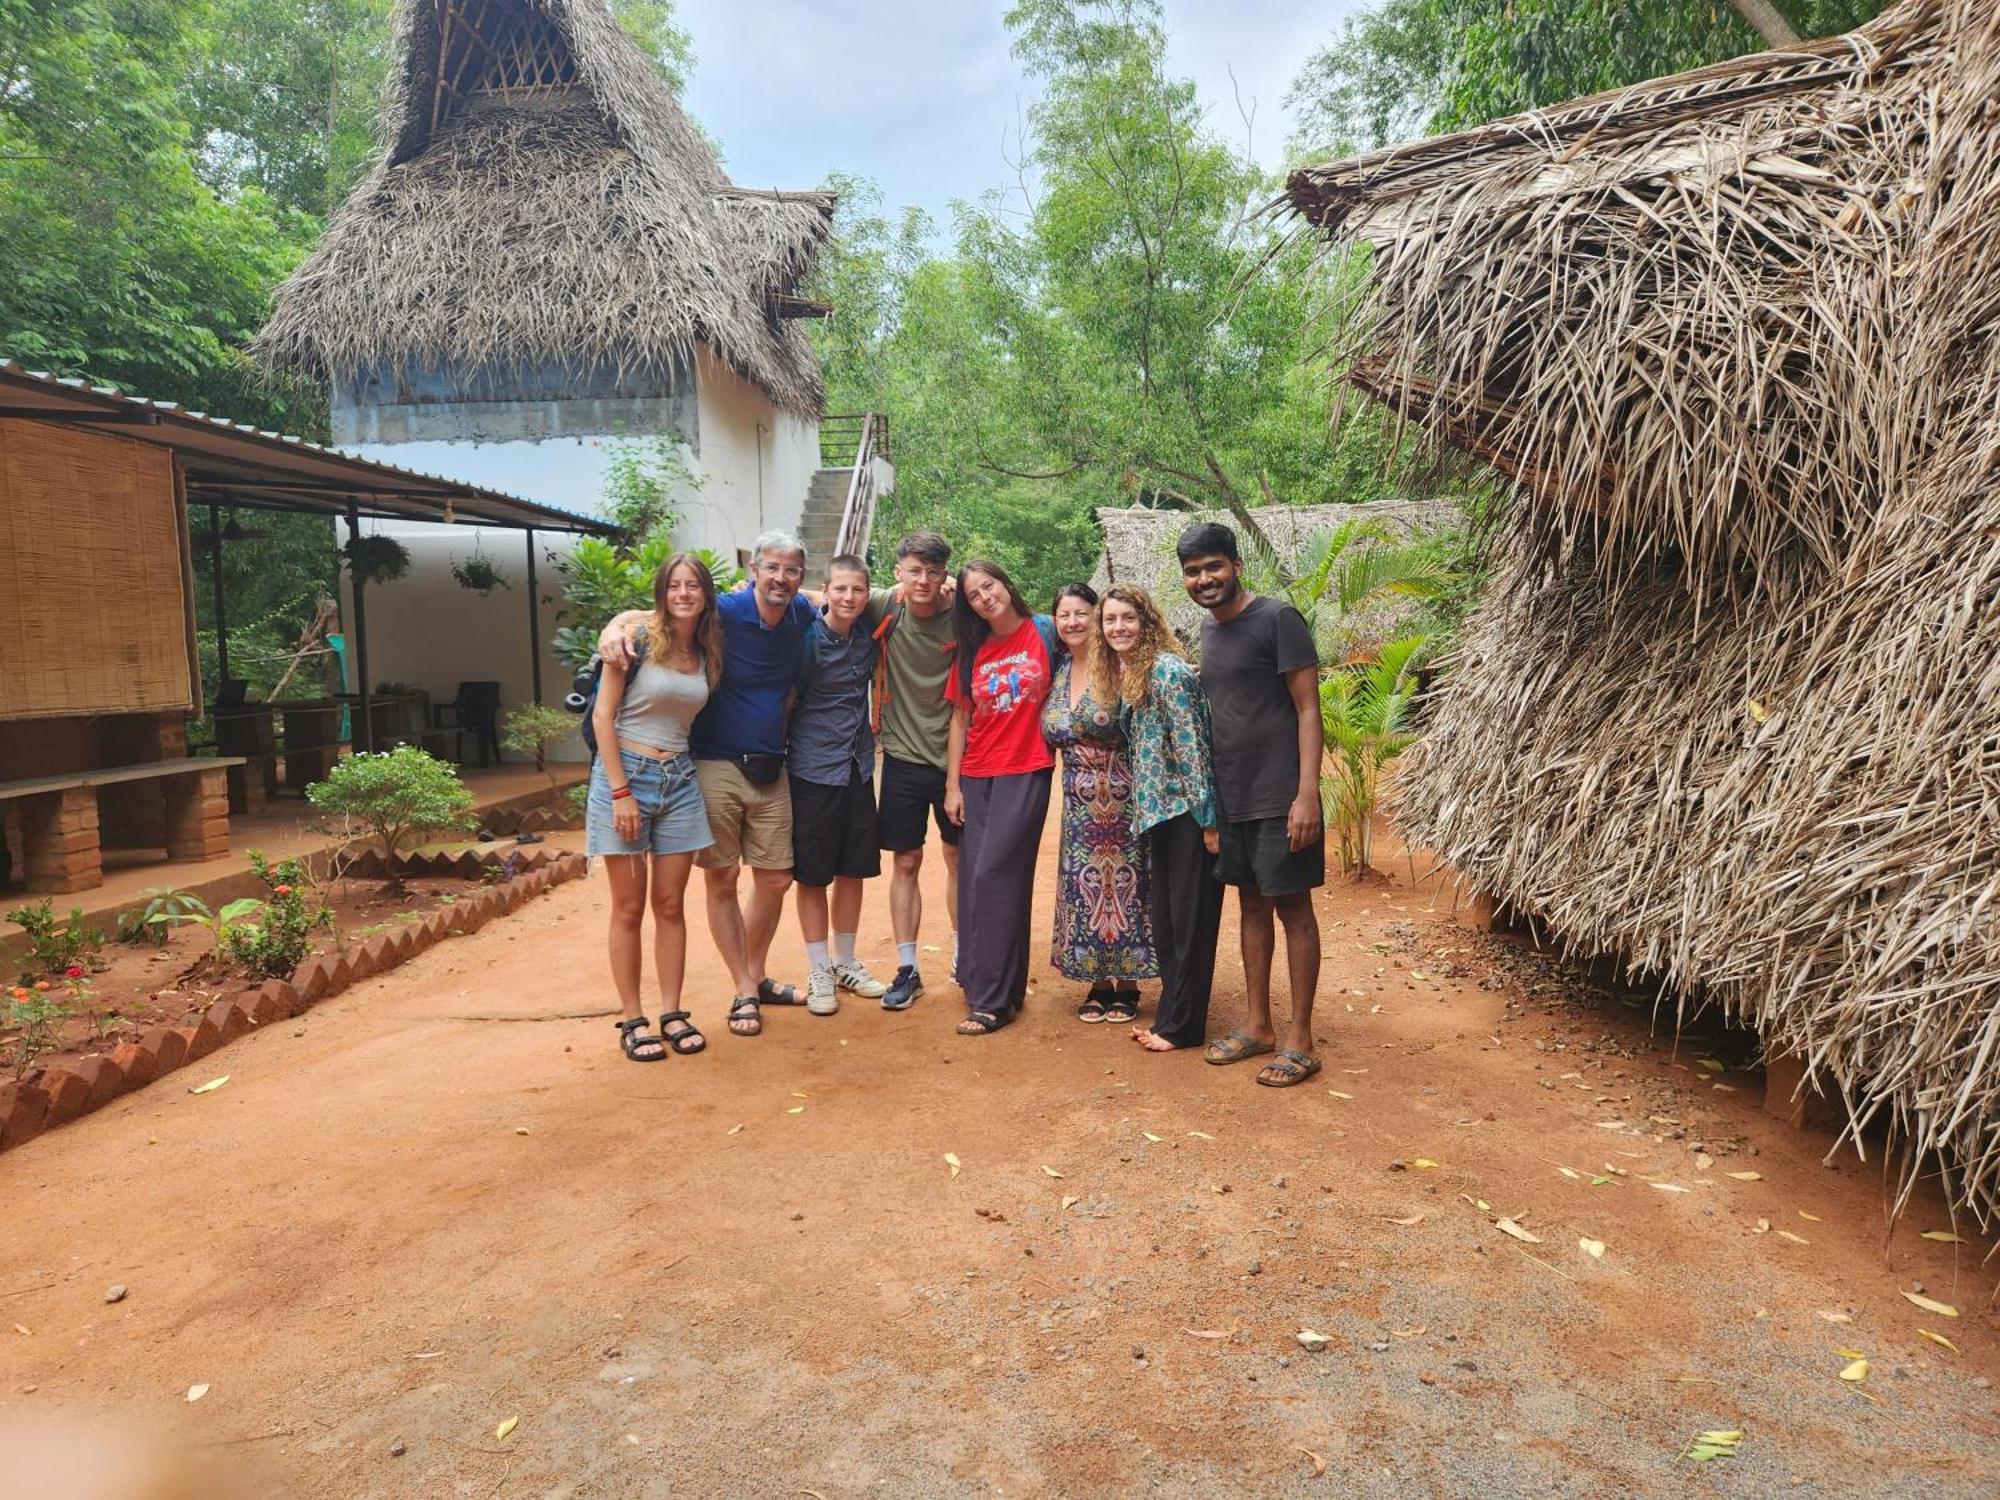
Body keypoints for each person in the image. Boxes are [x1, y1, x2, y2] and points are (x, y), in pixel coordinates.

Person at [600, 532, 817, 1039]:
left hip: (771, 765)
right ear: (754, 569)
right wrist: (616, 623)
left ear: (801, 577)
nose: (780, 578)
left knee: (775, 878)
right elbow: (668, 609)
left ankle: (753, 975)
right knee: (720, 879)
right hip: (712, 764)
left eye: (791, 571)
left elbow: (839, 598)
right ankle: (742, 985)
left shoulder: (801, 614)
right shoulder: (727, 611)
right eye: (771, 568)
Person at [1177, 522, 1326, 1087]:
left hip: (1281, 793)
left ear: (1236, 565)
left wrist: (1306, 792)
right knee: (1251, 908)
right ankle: (1259, 1025)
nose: (1204, 579)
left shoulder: (1278, 620)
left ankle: (1301, 1039)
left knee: (1293, 910)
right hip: (1233, 796)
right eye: (1193, 572)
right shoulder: (1208, 634)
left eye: (1213, 566)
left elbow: (1307, 709)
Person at [587, 554, 722, 1062]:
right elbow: (603, 718)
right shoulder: (634, 640)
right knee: (628, 907)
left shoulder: (708, 648)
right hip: (627, 777)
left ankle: (672, 1010)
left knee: (670, 905)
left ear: (705, 594)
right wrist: (621, 792)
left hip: (680, 780)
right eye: (674, 586)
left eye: (693, 586)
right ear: (661, 592)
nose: (684, 593)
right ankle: (632, 1017)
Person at [1088, 585, 1221, 1053]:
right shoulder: (1133, 675)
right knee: (1166, 924)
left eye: (1127, 618)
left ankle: (1181, 1027)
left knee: (1189, 925)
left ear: (1146, 621)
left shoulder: (1166, 671)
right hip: (1158, 815)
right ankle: (1173, 1017)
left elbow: (1193, 748)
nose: (1118, 627)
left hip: (1187, 812)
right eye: (1110, 620)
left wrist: (1209, 820)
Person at [943, 560, 1059, 1036]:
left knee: (997, 874)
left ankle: (990, 999)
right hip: (976, 773)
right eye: (973, 594)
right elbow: (959, 721)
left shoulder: (1045, 633)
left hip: (1027, 767)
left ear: (1007, 584)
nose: (984, 597)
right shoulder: (973, 652)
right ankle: (996, 989)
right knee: (976, 878)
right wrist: (952, 785)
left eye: (989, 585)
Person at [1042, 583, 1155, 1022]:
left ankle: (1128, 984)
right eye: (1063, 615)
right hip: (1076, 804)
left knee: (1127, 887)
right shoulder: (1059, 670)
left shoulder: (1123, 667)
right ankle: (1096, 981)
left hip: (1124, 797)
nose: (1072, 622)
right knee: (1085, 888)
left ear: (1098, 618)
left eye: (1081, 613)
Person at [786, 553, 890, 1014]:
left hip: (857, 768)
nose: (849, 598)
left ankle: (845, 962)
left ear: (867, 594)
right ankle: (818, 967)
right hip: (811, 769)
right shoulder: (805, 638)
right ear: (825, 591)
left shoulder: (869, 635)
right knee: (812, 873)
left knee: (853, 869)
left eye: (857, 590)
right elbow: (789, 700)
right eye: (840, 589)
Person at [870, 531, 959, 1011]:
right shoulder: (884, 606)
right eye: (915, 571)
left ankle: (966, 957)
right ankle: (908, 966)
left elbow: (1023, 619)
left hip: (956, 760)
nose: (923, 580)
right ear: (899, 572)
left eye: (933, 571)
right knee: (905, 862)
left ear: (946, 574)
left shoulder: (963, 613)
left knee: (957, 858)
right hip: (902, 757)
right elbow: (824, 596)